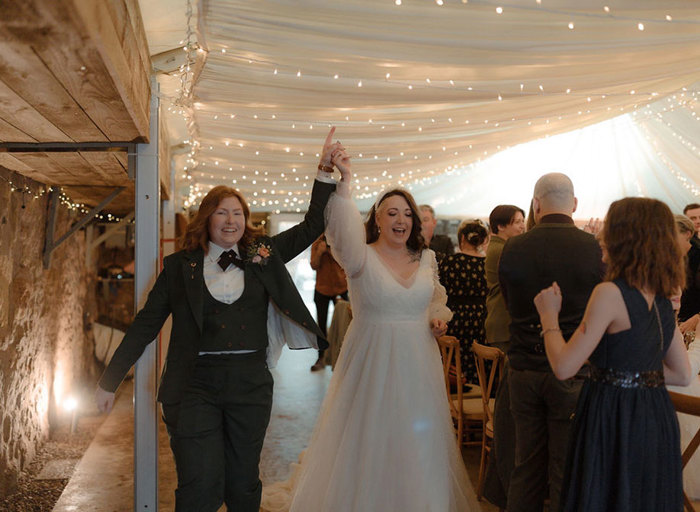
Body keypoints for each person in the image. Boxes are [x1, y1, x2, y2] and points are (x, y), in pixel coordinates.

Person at [94, 128, 342, 512]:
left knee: (243, 487)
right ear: (206, 219)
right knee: (199, 487)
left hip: (250, 384)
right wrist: (109, 381)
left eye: (238, 213)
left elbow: (312, 225)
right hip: (194, 385)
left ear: (246, 219)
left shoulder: (264, 253)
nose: (231, 221)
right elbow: (146, 324)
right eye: (222, 213)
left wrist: (324, 170)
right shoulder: (179, 268)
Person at [262, 146, 477, 511]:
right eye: (392, 212)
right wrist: (345, 185)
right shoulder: (359, 254)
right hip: (372, 363)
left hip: (418, 364)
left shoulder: (427, 259)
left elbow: (435, 301)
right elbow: (340, 229)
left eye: (407, 213)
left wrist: (436, 318)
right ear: (377, 219)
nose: (401, 219)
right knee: (371, 437)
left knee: (417, 438)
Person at [534, 197, 692, 511]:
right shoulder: (661, 297)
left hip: (612, 414)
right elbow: (682, 375)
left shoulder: (609, 293)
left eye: (609, 227)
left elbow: (565, 367)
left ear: (624, 237)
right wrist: (635, 374)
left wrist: (548, 316)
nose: (603, 236)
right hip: (655, 415)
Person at [498, 173, 603, 512]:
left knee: (525, 466)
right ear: (574, 204)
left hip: (523, 368)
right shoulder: (592, 248)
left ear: (536, 204)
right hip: (572, 368)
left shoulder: (513, 246)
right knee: (566, 468)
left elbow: (509, 303)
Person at [481, 203, 524, 509]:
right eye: (517, 222)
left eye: (523, 221)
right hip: (505, 325)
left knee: (506, 401)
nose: (521, 227)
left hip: (500, 323)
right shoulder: (501, 250)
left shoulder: (502, 247)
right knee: (509, 404)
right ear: (499, 226)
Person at [439, 220, 489, 385]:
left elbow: (439, 292)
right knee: (480, 360)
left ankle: (459, 390)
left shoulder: (449, 263)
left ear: (461, 238)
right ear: (484, 240)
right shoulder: (488, 265)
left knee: (457, 361)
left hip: (456, 319)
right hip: (482, 319)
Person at [309, 234, 348, 371]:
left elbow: (347, 263)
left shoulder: (341, 241)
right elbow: (313, 264)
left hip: (342, 287)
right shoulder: (317, 242)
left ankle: (345, 358)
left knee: (347, 323)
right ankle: (321, 358)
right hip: (322, 288)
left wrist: (331, 251)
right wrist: (320, 251)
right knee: (321, 326)